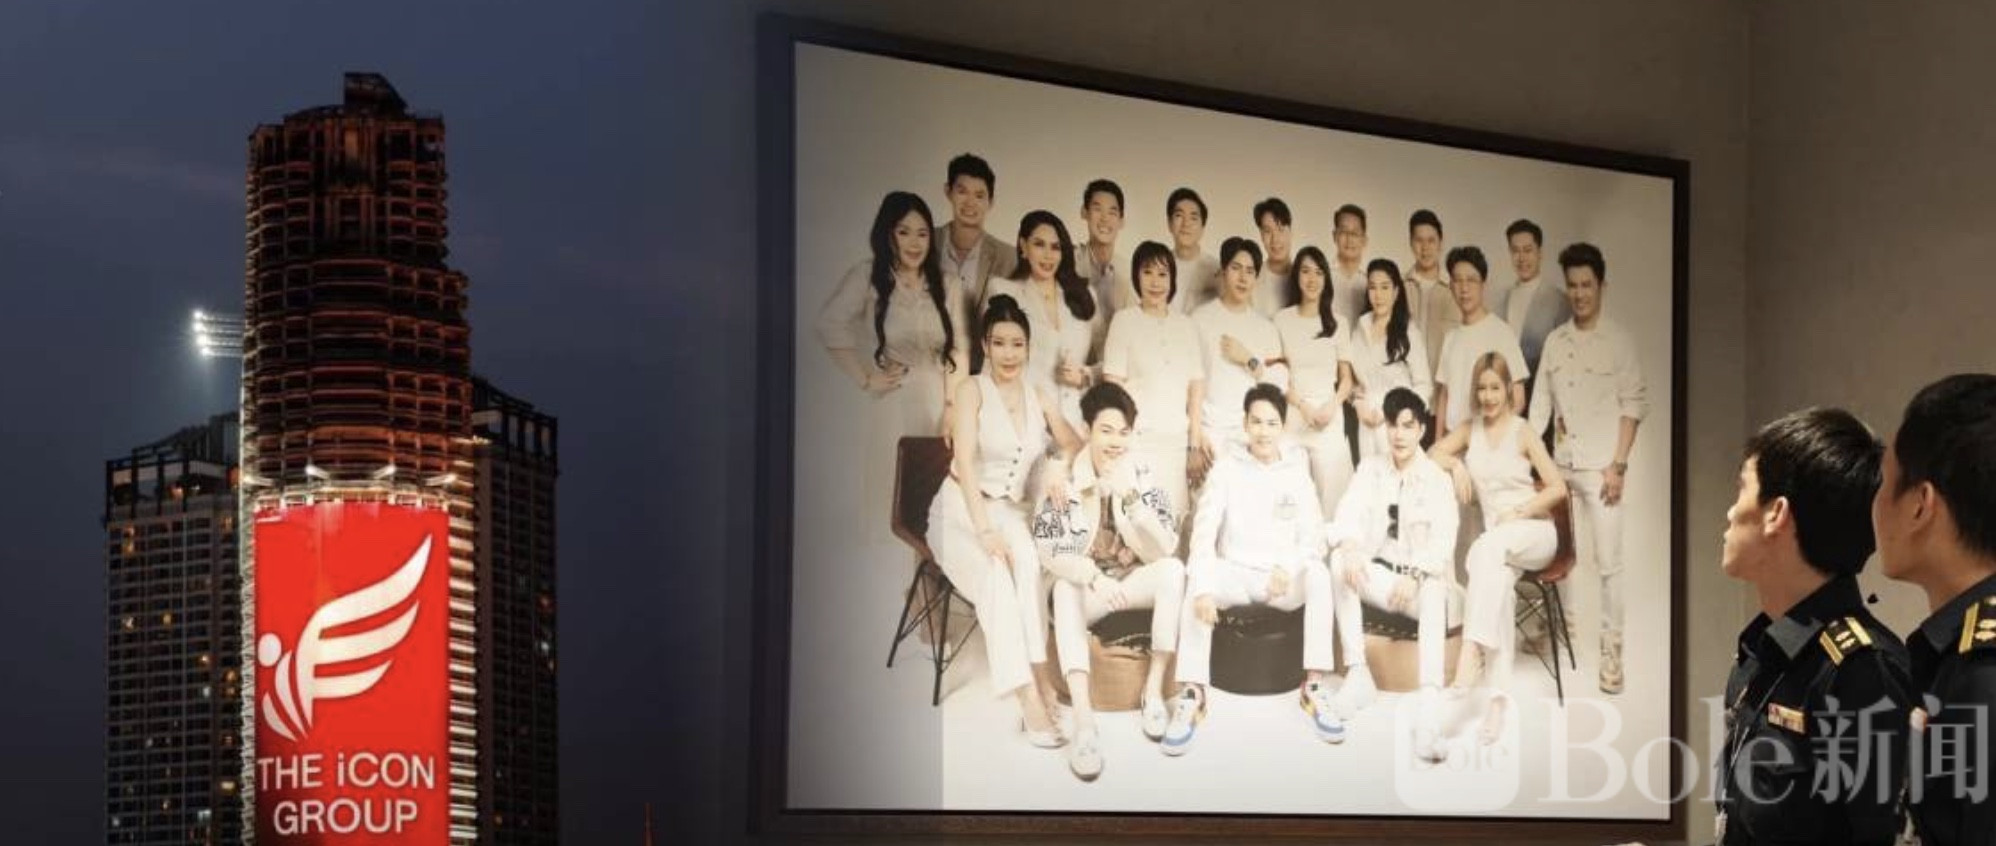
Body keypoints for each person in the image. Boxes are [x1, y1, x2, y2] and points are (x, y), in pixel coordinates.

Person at [1712, 407, 1912, 846]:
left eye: (1742, 489)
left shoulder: (1862, 671)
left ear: (1776, 513)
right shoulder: (1761, 653)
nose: (1729, 512)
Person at [926, 295, 1082, 747]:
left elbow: (1073, 443)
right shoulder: (970, 390)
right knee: (996, 573)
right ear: (985, 346)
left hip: (1008, 509)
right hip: (959, 509)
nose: (1009, 354)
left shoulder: (1038, 395)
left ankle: (1042, 675)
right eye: (999, 343)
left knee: (1029, 566)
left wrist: (1057, 465)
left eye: (1017, 344)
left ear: (1028, 348)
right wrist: (984, 531)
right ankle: (1027, 699)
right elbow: (965, 462)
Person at [1164, 383, 1341, 754]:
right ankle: (1193, 691)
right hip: (1236, 575)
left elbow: (1314, 537)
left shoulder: (1296, 472)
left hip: (1281, 581)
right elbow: (1203, 535)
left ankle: (1314, 683)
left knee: (1320, 575)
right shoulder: (1226, 469)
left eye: (1272, 423)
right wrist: (1204, 588)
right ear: (1245, 423)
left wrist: (1288, 567)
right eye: (1256, 422)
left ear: (1283, 427)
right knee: (1196, 577)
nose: (1263, 431)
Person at [1033, 382, 1187, 781]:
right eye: (1106, 430)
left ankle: (1153, 691)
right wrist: (1093, 578)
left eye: (1123, 432)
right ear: (1087, 429)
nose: (1116, 442)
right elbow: (1049, 550)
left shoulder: (1142, 471)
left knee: (1173, 571)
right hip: (1091, 591)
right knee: (1063, 588)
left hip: (1130, 581)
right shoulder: (1062, 473)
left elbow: (1168, 545)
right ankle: (1084, 724)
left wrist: (1133, 500)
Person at [1873, 374, 1996, 846]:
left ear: (1920, 505)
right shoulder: (1953, 656)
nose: (1874, 507)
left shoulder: (1982, 673)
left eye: (1883, 484)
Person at [1527, 242, 1648, 693]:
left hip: (1601, 470)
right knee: (1561, 557)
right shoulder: (1555, 343)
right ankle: (1566, 634)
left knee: (1609, 565)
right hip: (1561, 467)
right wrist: (1533, 465)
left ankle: (1611, 656)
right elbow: (1540, 408)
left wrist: (1618, 466)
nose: (1579, 294)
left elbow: (1633, 404)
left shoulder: (1618, 342)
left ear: (1601, 286)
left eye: (1586, 285)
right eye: (1573, 286)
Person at [1428, 354, 1566, 746]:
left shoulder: (1523, 431)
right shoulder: (1469, 430)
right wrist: (1456, 467)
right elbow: (1432, 453)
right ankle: (1497, 702)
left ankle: (1470, 653)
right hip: (1497, 548)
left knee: (1483, 551)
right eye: (1481, 388)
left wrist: (1520, 511)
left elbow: (1557, 487)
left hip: (1534, 533)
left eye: (1495, 388)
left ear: (1508, 390)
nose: (1488, 396)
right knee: (1497, 583)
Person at [816, 191, 968, 546]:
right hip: (894, 404)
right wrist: (865, 378)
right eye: (904, 232)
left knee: (935, 506)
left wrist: (952, 407)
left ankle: (926, 578)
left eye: (922, 233)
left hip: (939, 407)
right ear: (888, 235)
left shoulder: (947, 284)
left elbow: (959, 347)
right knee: (895, 502)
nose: (914, 243)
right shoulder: (868, 276)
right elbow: (829, 324)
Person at [1325, 387, 1461, 760]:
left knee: (1434, 589)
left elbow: (1444, 541)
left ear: (1421, 430)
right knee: (1338, 560)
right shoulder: (1370, 468)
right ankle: (1358, 674)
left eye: (1408, 426)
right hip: (1381, 581)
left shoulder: (1437, 478)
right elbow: (1347, 512)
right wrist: (1350, 547)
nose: (1398, 435)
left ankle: (1429, 711)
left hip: (1418, 587)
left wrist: (1415, 574)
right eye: (1392, 425)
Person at [1101, 241, 1205, 526]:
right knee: (1138, 526)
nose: (1155, 282)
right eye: (1147, 272)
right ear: (1136, 276)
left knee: (1174, 525)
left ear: (1172, 279)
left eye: (1162, 274)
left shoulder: (1186, 326)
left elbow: (1195, 391)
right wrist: (1117, 445)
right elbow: (1112, 390)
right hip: (1137, 444)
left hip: (1176, 445)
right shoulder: (1124, 321)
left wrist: (1194, 446)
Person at [983, 211, 1101, 436]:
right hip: (1024, 420)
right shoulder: (1003, 290)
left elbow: (1109, 362)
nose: (1048, 255)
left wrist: (1085, 375)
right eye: (1039, 244)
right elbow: (990, 364)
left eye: (1055, 247)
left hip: (1077, 423)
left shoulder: (1085, 295)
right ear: (1023, 246)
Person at [1189, 237, 1284, 486]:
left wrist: (1248, 359)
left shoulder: (1266, 328)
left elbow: (1280, 385)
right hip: (1210, 436)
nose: (1243, 278)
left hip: (1251, 437)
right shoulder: (1199, 319)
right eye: (1236, 268)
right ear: (1223, 271)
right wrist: (1196, 437)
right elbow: (1188, 382)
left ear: (1257, 278)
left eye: (1250, 271)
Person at [1273, 246, 1356, 518]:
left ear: (1326, 278)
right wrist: (1303, 406)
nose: (1312, 279)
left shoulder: (1339, 323)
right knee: (1290, 499)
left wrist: (1332, 405)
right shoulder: (1282, 320)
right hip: (1294, 414)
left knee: (1333, 500)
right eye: (1306, 271)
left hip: (1328, 415)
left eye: (1319, 272)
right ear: (1296, 276)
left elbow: (1346, 380)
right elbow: (1278, 376)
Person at [1432, 245, 1528, 439]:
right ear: (1450, 285)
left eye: (1471, 280)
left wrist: (1490, 438)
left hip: (1486, 441)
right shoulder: (1451, 337)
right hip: (1452, 441)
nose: (1464, 288)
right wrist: (1438, 442)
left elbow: (1518, 399)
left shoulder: (1502, 332)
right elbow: (1444, 396)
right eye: (1457, 280)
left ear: (1483, 284)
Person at [1348, 259, 1434, 460]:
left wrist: (1397, 414)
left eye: (1385, 287)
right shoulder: (1360, 327)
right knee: (1369, 474)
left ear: (1396, 292)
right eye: (1372, 287)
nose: (1378, 295)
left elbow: (1424, 385)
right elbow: (1354, 379)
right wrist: (1357, 404)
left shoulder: (1408, 332)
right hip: (1366, 422)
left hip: (1397, 423)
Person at [936, 153, 1018, 317]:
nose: (970, 203)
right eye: (962, 192)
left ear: (991, 201)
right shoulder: (926, 243)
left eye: (979, 196)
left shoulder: (1008, 258)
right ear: (948, 192)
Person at [1499, 219, 1572, 398]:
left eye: (1527, 250)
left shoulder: (1559, 301)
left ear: (1539, 252)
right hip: (1506, 398)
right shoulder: (1502, 299)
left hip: (1543, 397)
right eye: (1515, 251)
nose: (1521, 258)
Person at [1074, 179, 1131, 338]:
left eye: (1112, 212)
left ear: (1121, 221)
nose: (1105, 219)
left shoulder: (1131, 272)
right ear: (1084, 212)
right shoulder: (1068, 263)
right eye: (1097, 209)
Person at [1402, 209, 1459, 367]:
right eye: (1419, 240)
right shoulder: (1398, 287)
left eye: (1431, 240)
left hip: (1444, 378)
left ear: (1440, 243)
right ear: (1411, 243)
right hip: (1406, 378)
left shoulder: (1455, 289)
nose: (1425, 248)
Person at [1166, 187, 1222, 313]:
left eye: (1193, 218)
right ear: (1169, 223)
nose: (1186, 224)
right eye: (1179, 215)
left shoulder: (1216, 270)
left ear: (1203, 227)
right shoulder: (1157, 267)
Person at [1327, 204, 1372, 326]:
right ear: (1334, 236)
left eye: (1355, 233)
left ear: (1364, 239)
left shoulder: (1372, 279)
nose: (1349, 239)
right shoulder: (1323, 276)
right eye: (1344, 232)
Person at [1252, 197, 1296, 317]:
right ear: (1261, 235)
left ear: (1291, 232)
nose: (1275, 239)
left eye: (1280, 229)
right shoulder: (1252, 278)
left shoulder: (1306, 278)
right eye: (1267, 231)